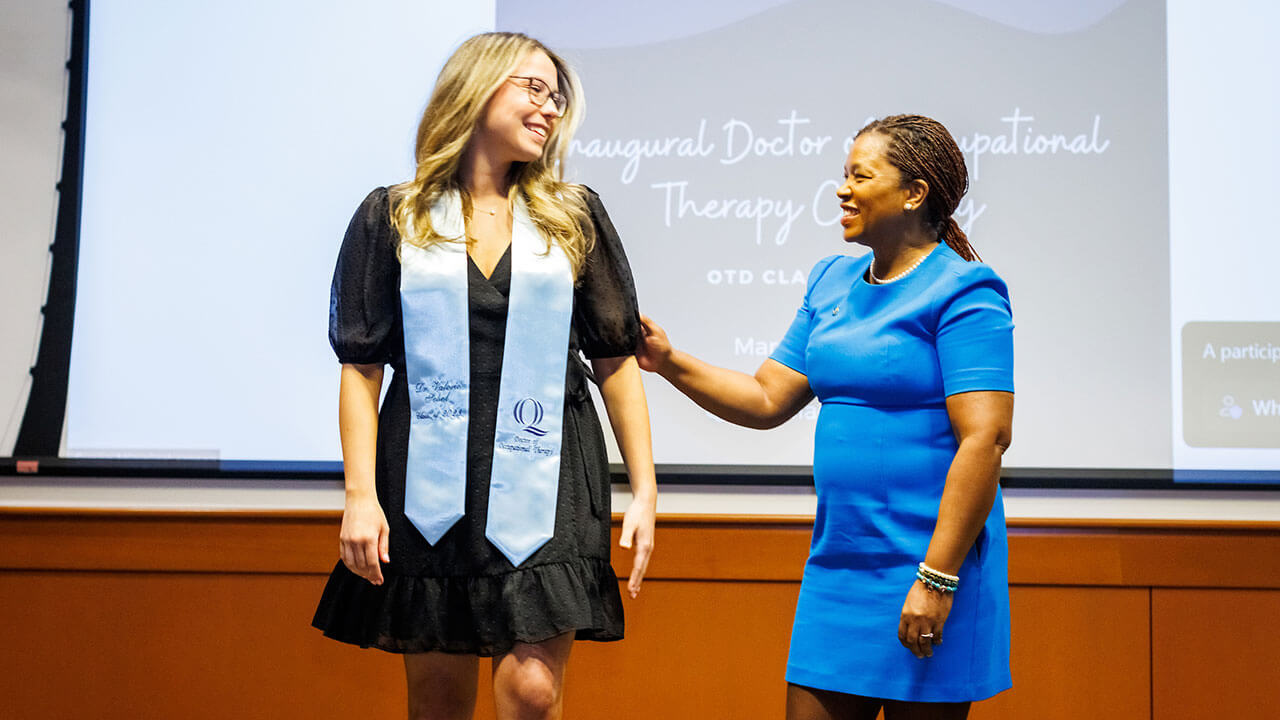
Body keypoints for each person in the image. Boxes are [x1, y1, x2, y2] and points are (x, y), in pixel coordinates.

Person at [312, 32, 657, 720]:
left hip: (548, 470)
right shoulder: (395, 216)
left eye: (557, 97)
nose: (550, 108)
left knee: (531, 689)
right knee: (438, 701)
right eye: (533, 88)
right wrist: (359, 495)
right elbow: (361, 370)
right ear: (476, 88)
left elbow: (616, 361)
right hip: (429, 477)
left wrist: (645, 488)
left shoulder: (571, 216)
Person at [637, 115, 1014, 720]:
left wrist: (938, 578)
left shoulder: (966, 291)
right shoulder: (831, 280)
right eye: (843, 174)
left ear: (914, 193)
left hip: (931, 564)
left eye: (860, 176)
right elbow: (766, 399)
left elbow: (986, 439)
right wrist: (669, 361)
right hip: (841, 565)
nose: (842, 189)